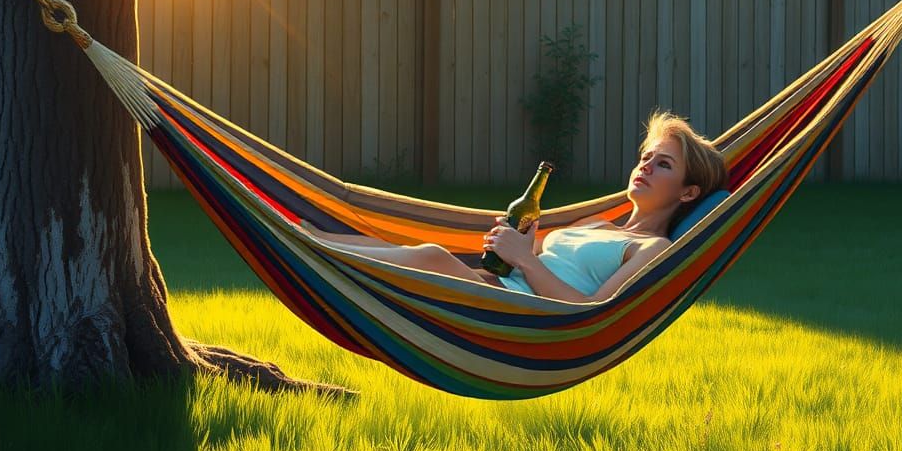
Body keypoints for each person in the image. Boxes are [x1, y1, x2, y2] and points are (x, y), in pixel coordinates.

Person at [305, 111, 727, 304]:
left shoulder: (652, 249)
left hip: (519, 315)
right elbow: (532, 261)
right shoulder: (601, 222)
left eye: (664, 164)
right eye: (646, 157)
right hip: (498, 286)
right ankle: (305, 235)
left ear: (688, 194)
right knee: (411, 242)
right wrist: (520, 246)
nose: (645, 166)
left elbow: (593, 308)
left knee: (431, 255)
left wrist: (524, 257)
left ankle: (313, 248)